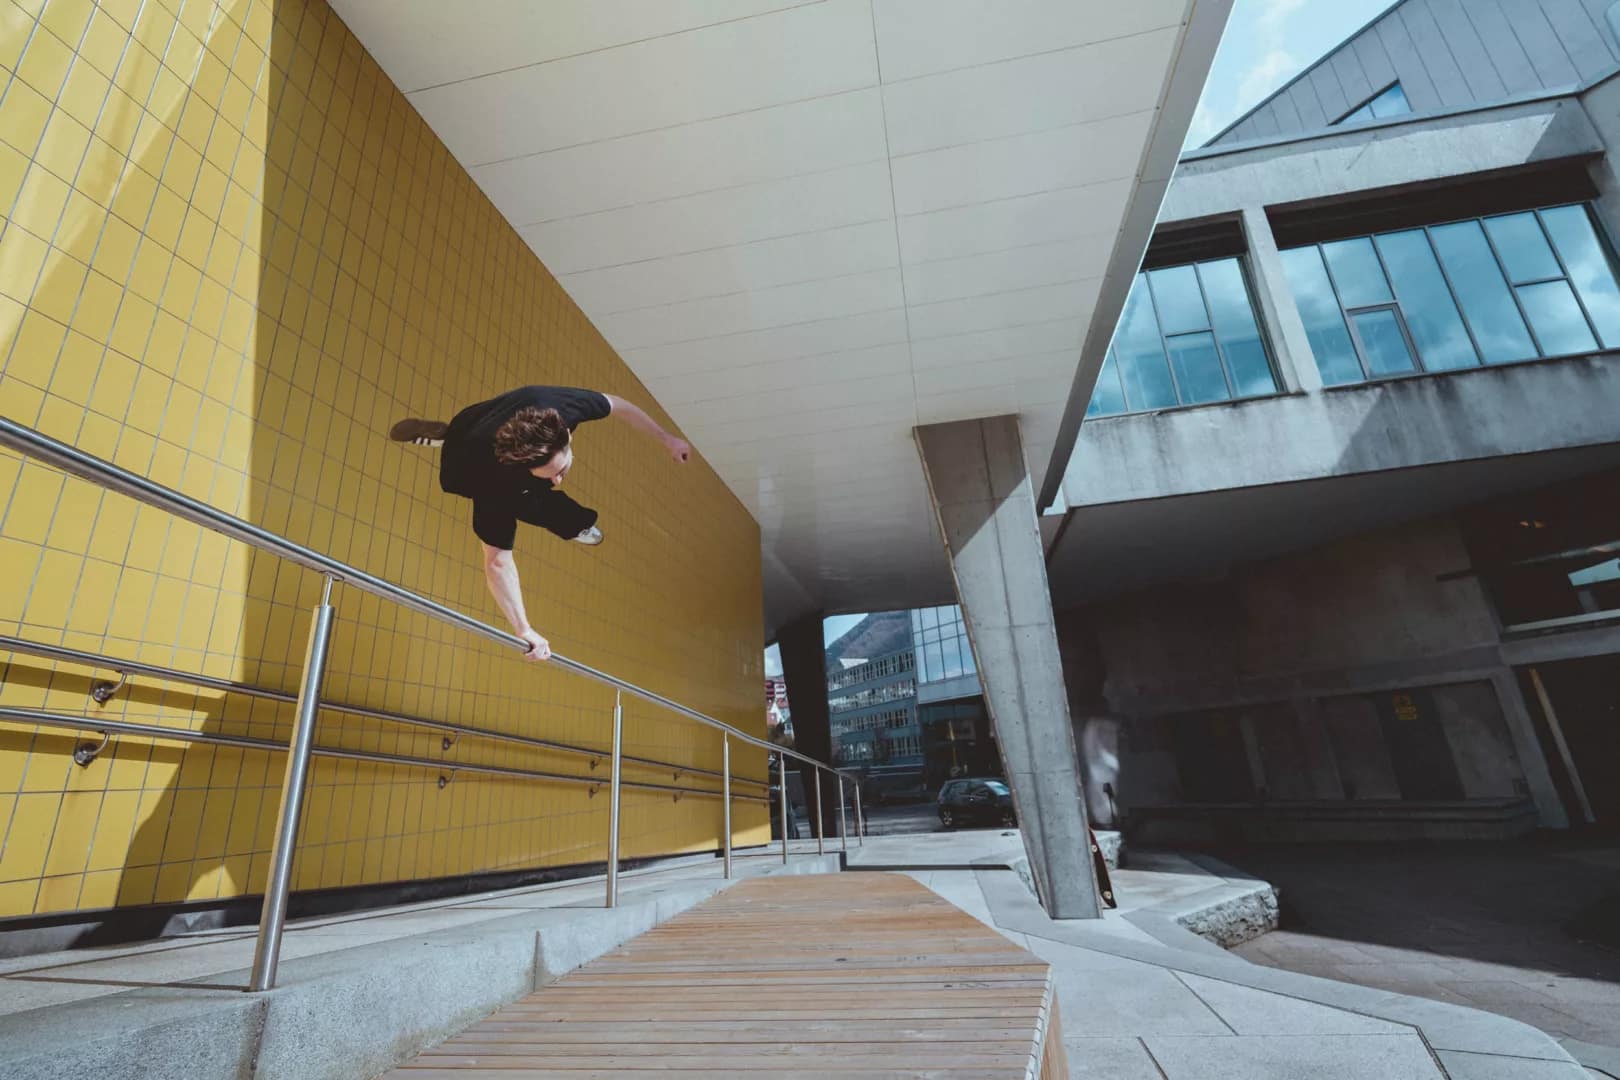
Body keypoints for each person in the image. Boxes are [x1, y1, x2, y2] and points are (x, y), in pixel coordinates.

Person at [390, 386, 690, 662]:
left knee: (534, 487)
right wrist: (524, 629)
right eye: (551, 473)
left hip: (474, 419)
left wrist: (667, 439)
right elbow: (497, 562)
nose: (559, 479)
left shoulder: (557, 407)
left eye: (561, 468)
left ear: (567, 434)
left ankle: (449, 433)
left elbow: (618, 405)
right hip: (466, 462)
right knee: (536, 503)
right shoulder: (494, 481)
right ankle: (574, 523)